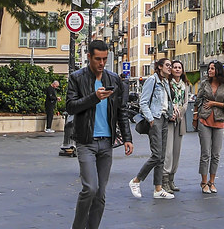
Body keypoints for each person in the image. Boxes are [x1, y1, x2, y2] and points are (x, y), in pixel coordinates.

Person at [67, 40, 134, 229]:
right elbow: (70, 107)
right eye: (98, 59)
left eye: (104, 59)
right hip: (85, 141)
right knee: (90, 188)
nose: (102, 63)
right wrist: (94, 98)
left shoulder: (114, 79)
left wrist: (127, 138)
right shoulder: (77, 78)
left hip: (107, 143)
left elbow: (121, 110)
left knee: (100, 194)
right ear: (89, 57)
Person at [129, 58, 174, 200]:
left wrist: (170, 113)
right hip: (155, 119)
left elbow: (166, 102)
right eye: (167, 65)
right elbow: (143, 102)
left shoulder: (165, 82)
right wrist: (150, 119)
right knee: (156, 155)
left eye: (171, 65)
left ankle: (158, 189)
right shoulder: (152, 80)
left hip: (164, 118)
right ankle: (136, 180)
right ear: (160, 67)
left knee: (161, 157)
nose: (170, 67)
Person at [196, 60, 224, 194]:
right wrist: (195, 118)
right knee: (205, 153)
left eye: (212, 69)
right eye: (209, 69)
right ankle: (204, 182)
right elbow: (198, 100)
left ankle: (212, 182)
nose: (209, 71)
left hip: (219, 121)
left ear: (218, 70)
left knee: (216, 154)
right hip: (204, 119)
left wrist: (214, 103)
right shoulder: (204, 84)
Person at [162, 59, 188, 192]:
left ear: (182, 70)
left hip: (180, 120)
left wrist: (180, 112)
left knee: (177, 152)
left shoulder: (185, 85)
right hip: (169, 119)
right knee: (168, 152)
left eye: (179, 67)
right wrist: (172, 111)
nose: (177, 69)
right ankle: (164, 180)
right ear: (171, 70)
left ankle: (172, 179)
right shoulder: (167, 83)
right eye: (175, 67)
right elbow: (165, 101)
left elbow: (186, 102)